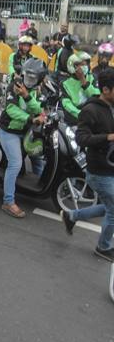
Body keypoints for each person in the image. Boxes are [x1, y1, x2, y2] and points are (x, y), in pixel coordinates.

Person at [62, 68, 114, 261]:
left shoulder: (111, 106)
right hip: (99, 170)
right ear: (107, 90)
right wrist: (108, 137)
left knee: (110, 206)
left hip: (111, 166)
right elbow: (82, 138)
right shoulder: (90, 110)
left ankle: (72, 216)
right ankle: (104, 247)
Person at [0, 58, 47, 218]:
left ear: (40, 78)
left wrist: (26, 96)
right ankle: (8, 201)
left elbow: (39, 108)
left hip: (26, 132)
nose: (29, 80)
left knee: (38, 157)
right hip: (9, 131)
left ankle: (39, 188)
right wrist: (31, 119)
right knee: (16, 163)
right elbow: (11, 109)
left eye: (34, 77)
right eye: (28, 76)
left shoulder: (40, 90)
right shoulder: (15, 85)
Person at [61, 53, 100, 124]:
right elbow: (67, 105)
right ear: (73, 67)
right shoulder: (65, 84)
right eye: (81, 65)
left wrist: (83, 81)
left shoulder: (93, 77)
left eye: (85, 64)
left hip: (95, 117)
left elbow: (97, 97)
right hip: (76, 120)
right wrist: (81, 115)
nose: (84, 67)